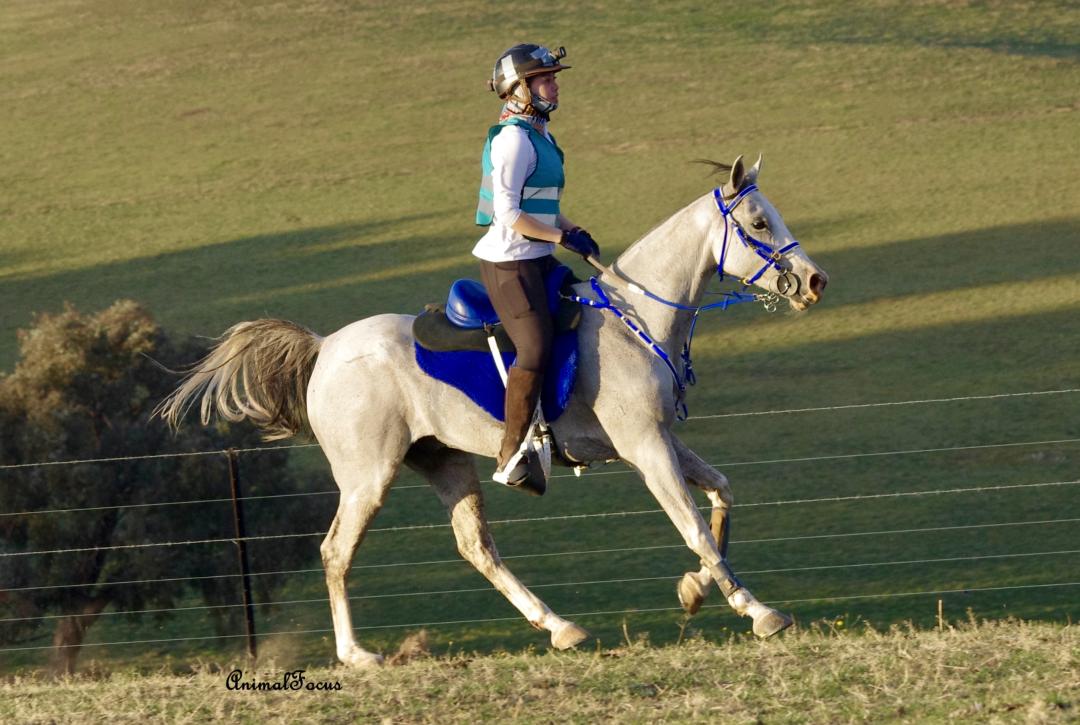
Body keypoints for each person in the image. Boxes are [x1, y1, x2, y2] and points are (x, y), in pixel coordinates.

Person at [474, 44, 599, 493]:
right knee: (535, 348)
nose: (554, 84)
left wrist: (573, 230)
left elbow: (544, 207)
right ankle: (509, 456)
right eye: (545, 78)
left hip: (538, 257)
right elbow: (508, 214)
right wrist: (559, 237)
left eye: (553, 77)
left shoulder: (540, 136)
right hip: (509, 264)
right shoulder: (512, 140)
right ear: (519, 89)